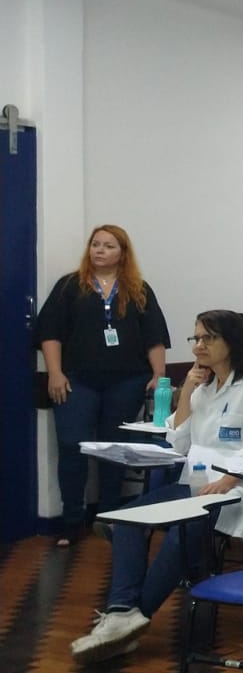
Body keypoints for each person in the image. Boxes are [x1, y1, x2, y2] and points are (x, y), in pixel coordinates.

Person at [69, 310, 243, 663]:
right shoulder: (203, 388)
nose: (198, 346)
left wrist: (227, 481)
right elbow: (179, 444)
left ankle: (130, 618)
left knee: (185, 530)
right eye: (196, 338)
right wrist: (187, 389)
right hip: (200, 483)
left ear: (231, 342)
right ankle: (122, 611)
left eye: (208, 338)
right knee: (126, 519)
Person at [37, 224, 171, 545]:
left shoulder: (138, 288)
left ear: (122, 253)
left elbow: (154, 337)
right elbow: (50, 333)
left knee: (115, 449)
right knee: (72, 445)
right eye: (95, 244)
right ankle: (71, 520)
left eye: (108, 246)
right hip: (76, 380)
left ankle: (110, 516)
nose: (99, 250)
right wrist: (55, 372)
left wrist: (159, 375)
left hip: (126, 379)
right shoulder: (70, 286)